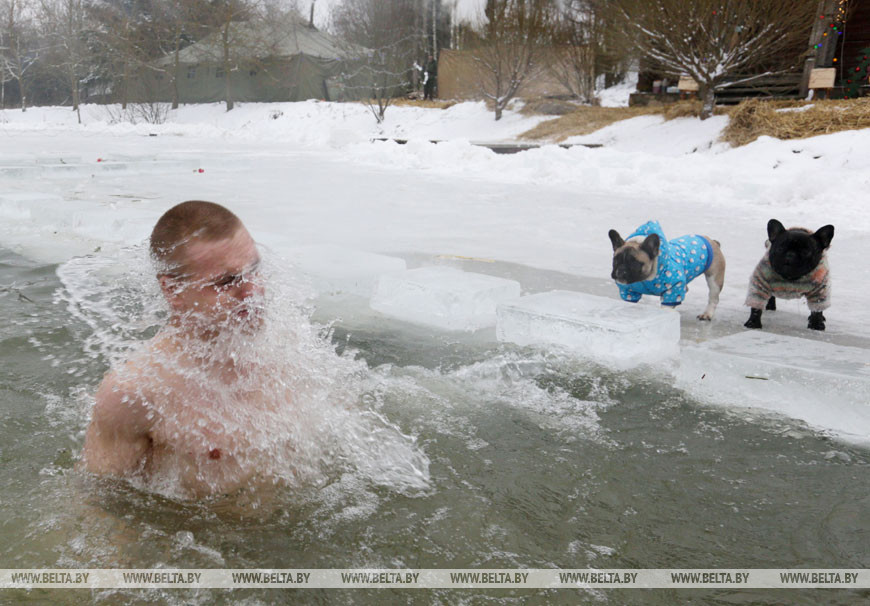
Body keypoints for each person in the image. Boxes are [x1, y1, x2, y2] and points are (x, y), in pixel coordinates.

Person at [79, 200, 275, 498]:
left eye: (255, 270)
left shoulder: (292, 350)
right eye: (227, 282)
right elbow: (101, 503)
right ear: (173, 290)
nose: (253, 293)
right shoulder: (135, 391)